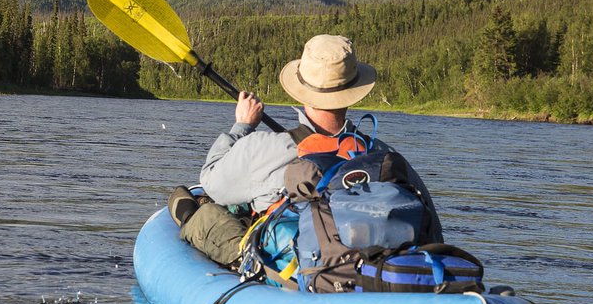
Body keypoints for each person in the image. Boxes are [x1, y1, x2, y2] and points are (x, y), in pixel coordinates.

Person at [168, 34, 440, 266]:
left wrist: (242, 125)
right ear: (353, 91)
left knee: (200, 210)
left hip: (302, 272)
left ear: (300, 92)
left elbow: (211, 181)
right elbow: (433, 232)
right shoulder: (384, 157)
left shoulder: (267, 147)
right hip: (370, 270)